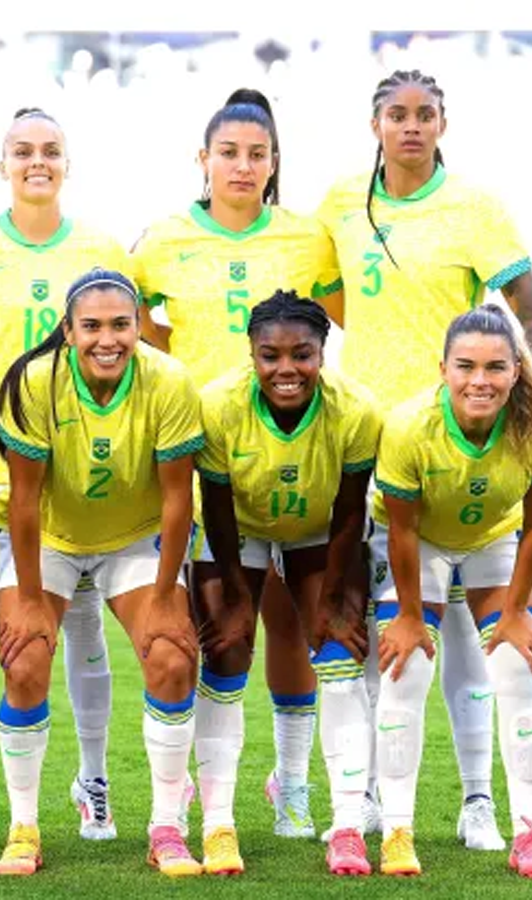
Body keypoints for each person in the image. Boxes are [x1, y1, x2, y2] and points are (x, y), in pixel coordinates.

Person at [317, 68, 532, 846]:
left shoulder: (476, 208)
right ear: (375, 122)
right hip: (374, 457)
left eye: (426, 114)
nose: (411, 126)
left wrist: (514, 412)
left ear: (443, 126)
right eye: (397, 113)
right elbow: (332, 306)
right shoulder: (342, 204)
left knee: (476, 646)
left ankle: (479, 801)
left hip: (466, 455)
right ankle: (378, 803)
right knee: (385, 643)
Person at [133, 88, 343, 838]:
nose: (243, 166)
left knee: (292, 622)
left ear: (274, 163)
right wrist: (175, 368)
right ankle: (198, 788)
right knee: (219, 626)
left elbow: (350, 316)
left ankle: (291, 786)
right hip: (199, 454)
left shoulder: (308, 239)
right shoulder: (161, 239)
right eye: (229, 152)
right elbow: (129, 322)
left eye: (258, 155)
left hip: (291, 448)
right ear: (204, 159)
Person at [0, 107, 130, 840]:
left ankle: (93, 781)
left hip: (83, 481)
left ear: (68, 163)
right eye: (23, 151)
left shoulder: (101, 248)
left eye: (50, 150)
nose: (37, 162)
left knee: (82, 637)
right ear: (2, 164)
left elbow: (141, 345)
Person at [0, 269, 204, 878]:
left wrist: (165, 596)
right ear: (67, 330)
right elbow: (25, 502)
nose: (106, 339)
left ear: (139, 327)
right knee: (25, 657)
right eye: (92, 326)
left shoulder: (167, 380)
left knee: (170, 656)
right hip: (50, 538)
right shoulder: (36, 382)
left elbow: (176, 499)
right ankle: (24, 827)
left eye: (120, 325)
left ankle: (167, 826)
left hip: (132, 540)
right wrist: (29, 596)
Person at [371, 305, 532, 879]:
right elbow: (402, 529)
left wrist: (513, 612)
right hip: (418, 540)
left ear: (516, 371)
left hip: (493, 539)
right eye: (466, 366)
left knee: (517, 667)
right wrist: (409, 615)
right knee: (404, 668)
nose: (479, 380)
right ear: (444, 369)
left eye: (495, 368)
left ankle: (529, 833)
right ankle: (398, 832)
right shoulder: (409, 426)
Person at [192, 292, 380, 876]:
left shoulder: (356, 409)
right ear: (251, 355)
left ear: (323, 353)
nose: (286, 370)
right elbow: (217, 507)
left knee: (341, 653)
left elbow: (351, 510)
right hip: (238, 528)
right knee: (225, 652)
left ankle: (346, 824)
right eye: (270, 356)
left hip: (321, 528)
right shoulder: (218, 404)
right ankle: (218, 824)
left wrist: (330, 599)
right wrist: (237, 591)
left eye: (303, 354)